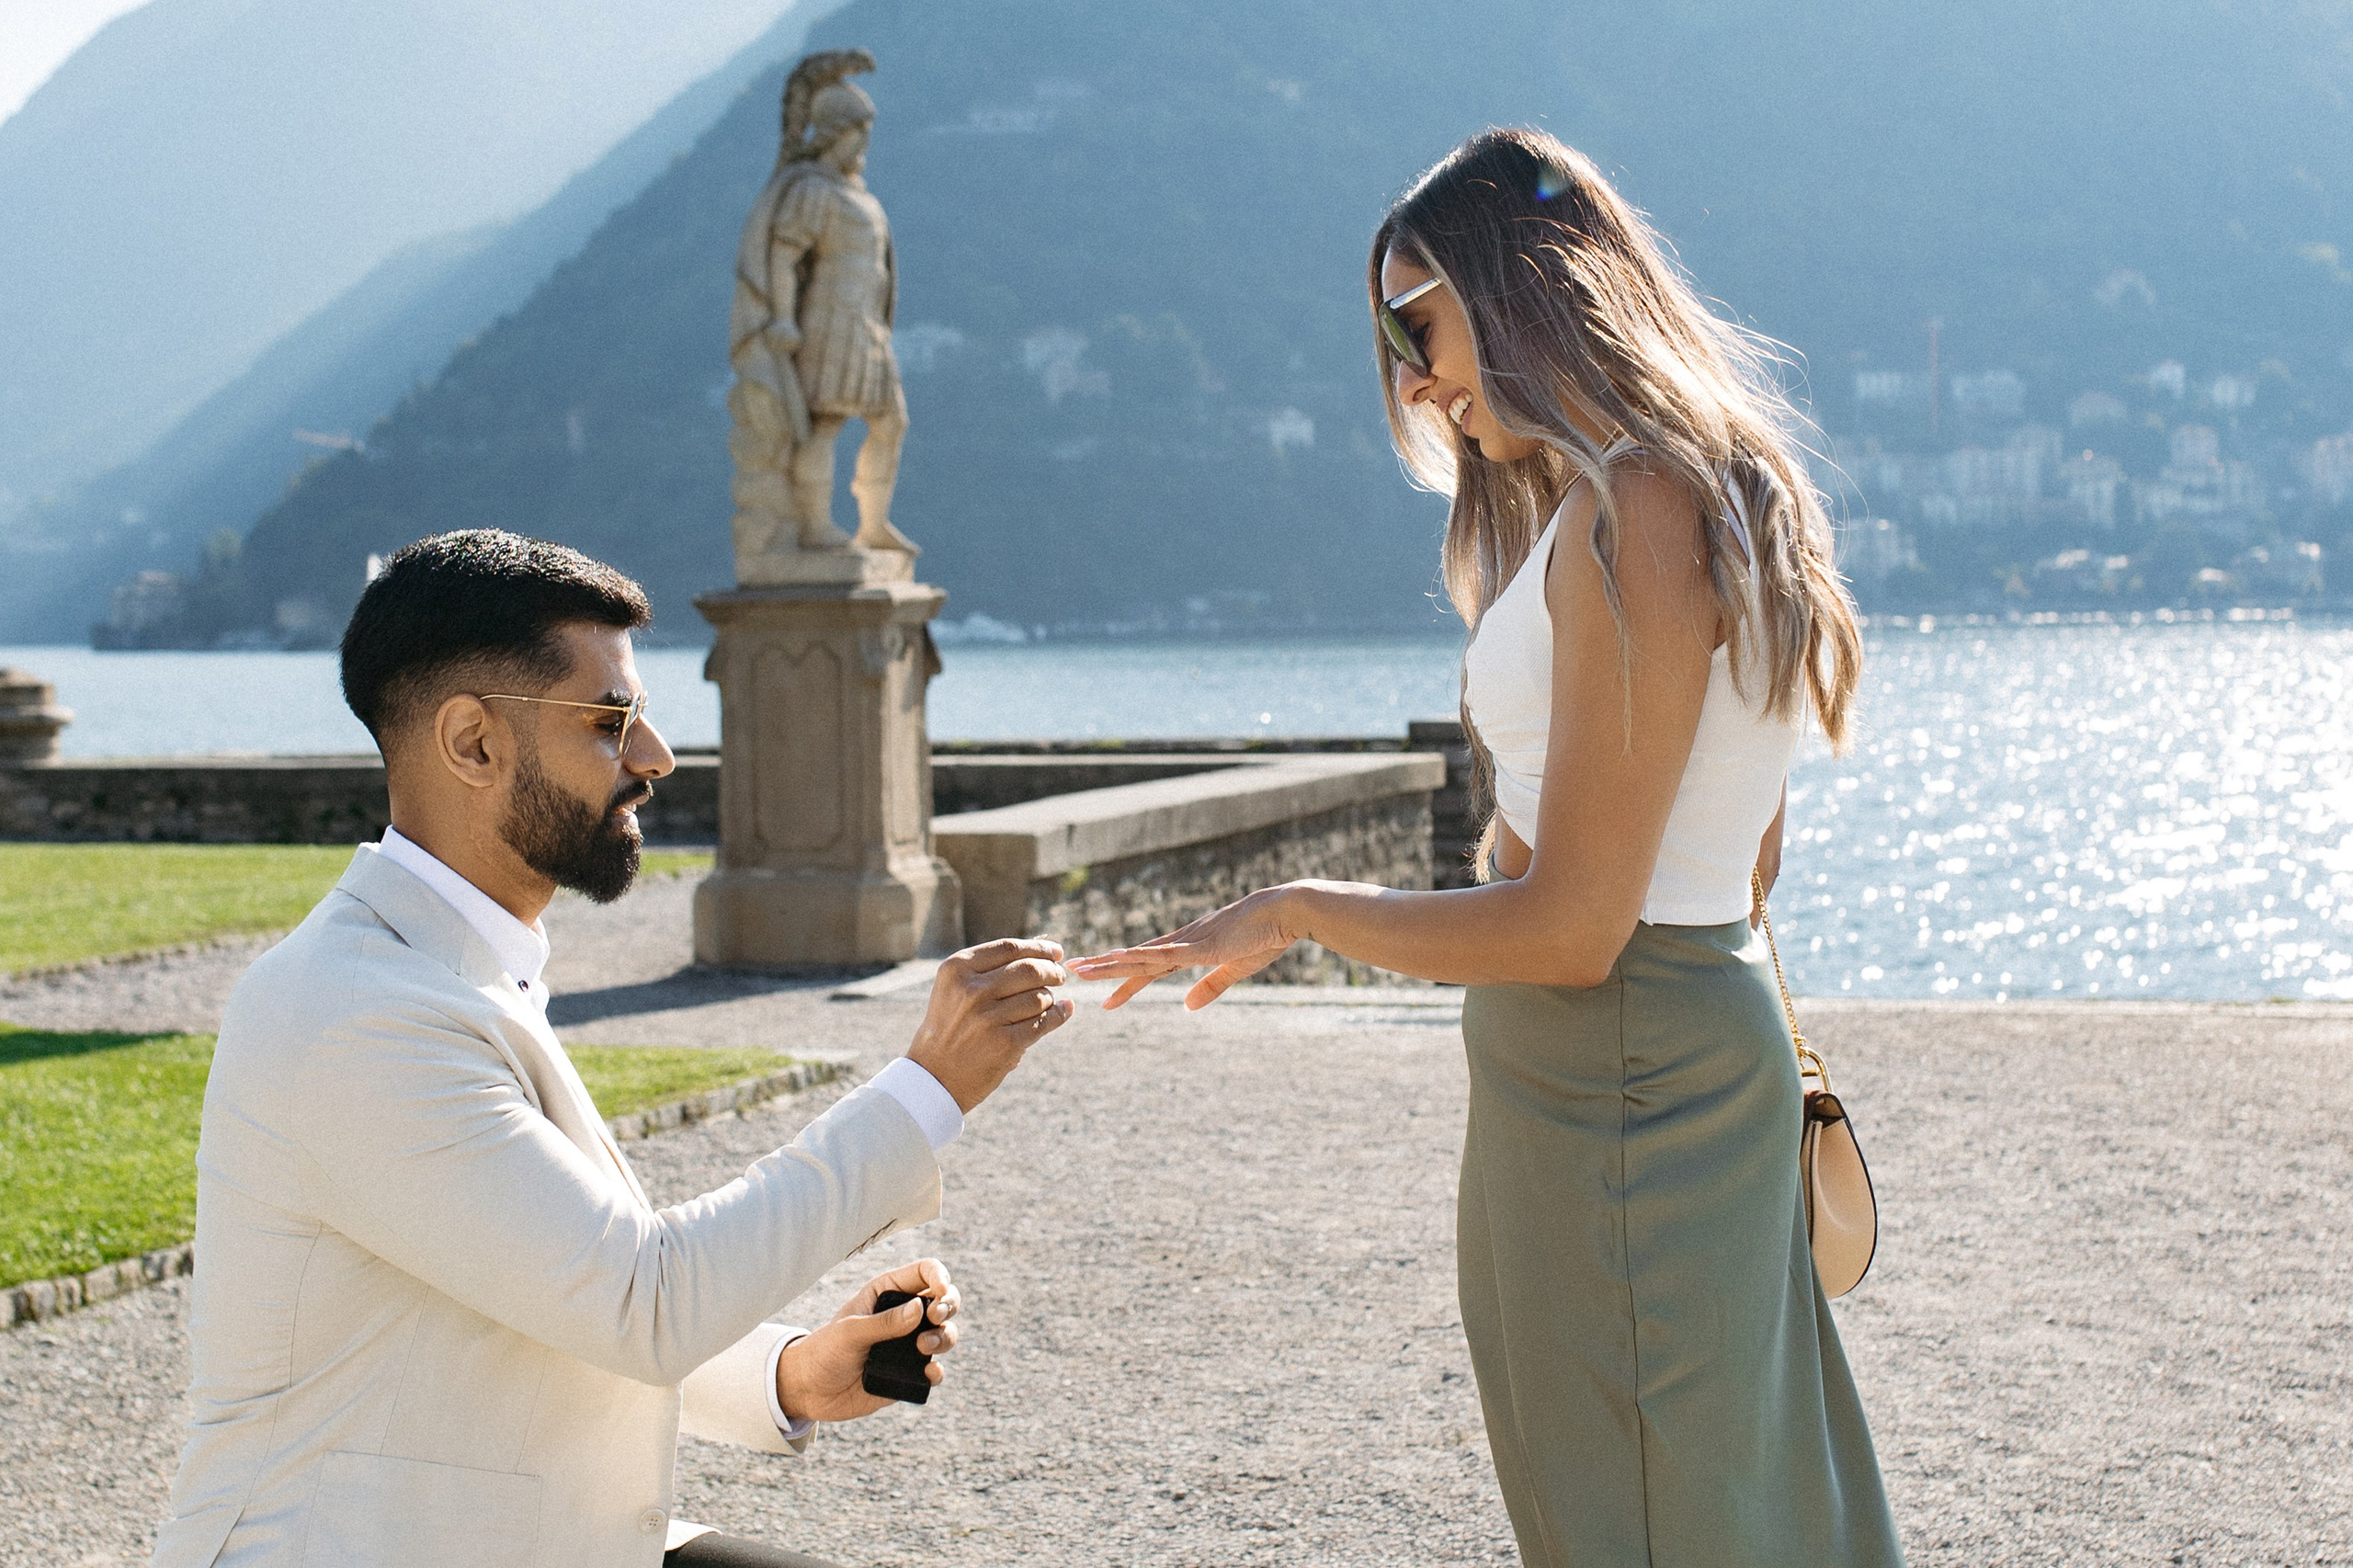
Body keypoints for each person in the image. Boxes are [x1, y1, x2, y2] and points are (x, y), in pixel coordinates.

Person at [1071, 129, 1904, 1567]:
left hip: (1618, 1073)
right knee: (1715, 1502)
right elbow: (1741, 851)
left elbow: (1575, 925)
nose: (1411, 377)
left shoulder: (1638, 506)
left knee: (1644, 1516)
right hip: (1653, 1060)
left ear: (1529, 283)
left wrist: (1301, 906)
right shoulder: (1694, 490)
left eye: (1421, 320)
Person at [153, 530, 1074, 1568]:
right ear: (472, 743)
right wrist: (928, 1086)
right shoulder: (360, 1016)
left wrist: (794, 1373)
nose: (655, 758)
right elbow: (645, 1296)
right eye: (612, 719)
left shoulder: (444, 969)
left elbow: (562, 1277)